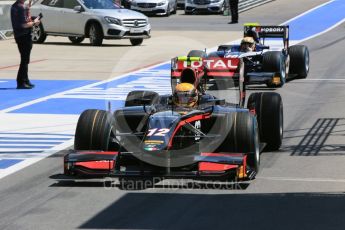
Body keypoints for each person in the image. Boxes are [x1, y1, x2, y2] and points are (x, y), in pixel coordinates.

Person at [11, 0, 40, 89]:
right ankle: (21, 82)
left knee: (25, 59)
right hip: (23, 35)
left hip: (20, 35)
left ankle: (25, 79)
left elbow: (25, 19)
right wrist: (34, 23)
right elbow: (24, 24)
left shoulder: (17, 6)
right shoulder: (20, 7)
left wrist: (31, 17)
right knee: (24, 59)